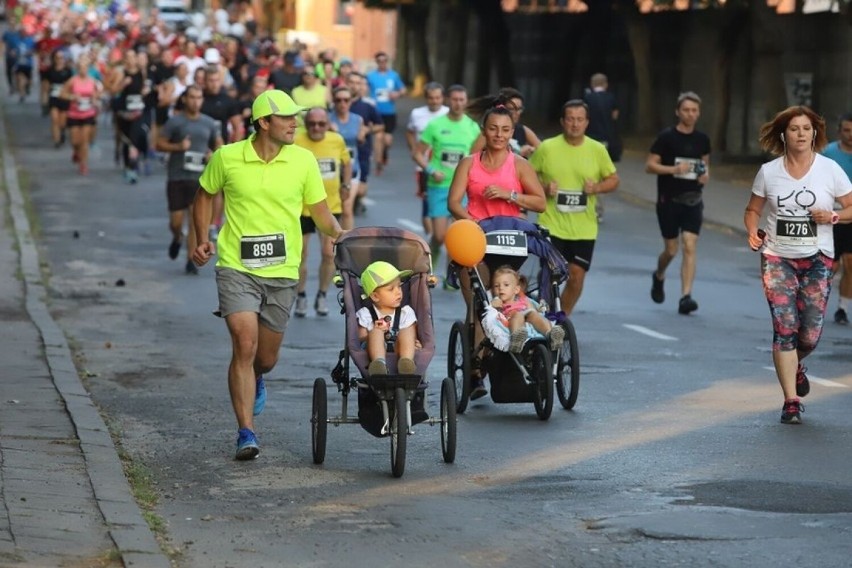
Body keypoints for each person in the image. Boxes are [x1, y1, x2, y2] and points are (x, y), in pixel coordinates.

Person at [191, 90, 345, 460]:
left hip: (283, 270)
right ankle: (246, 432)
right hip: (236, 267)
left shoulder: (303, 161)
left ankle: (258, 377)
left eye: (297, 116)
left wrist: (343, 237)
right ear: (263, 123)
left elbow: (320, 211)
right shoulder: (228, 158)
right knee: (244, 345)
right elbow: (203, 194)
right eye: (287, 117)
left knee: (266, 358)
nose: (296, 123)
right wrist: (201, 239)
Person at [744, 105, 852, 425]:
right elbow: (752, 210)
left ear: (814, 134)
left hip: (818, 258)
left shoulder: (830, 169)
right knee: (784, 327)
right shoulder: (769, 171)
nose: (801, 134)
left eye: (806, 129)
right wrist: (752, 231)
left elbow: (850, 207)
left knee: (809, 337)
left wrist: (832, 216)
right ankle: (791, 400)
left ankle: (795, 362)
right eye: (794, 129)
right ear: (784, 135)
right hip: (778, 258)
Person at [448, 103, 547, 399]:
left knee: (506, 303)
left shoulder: (519, 164)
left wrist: (510, 194)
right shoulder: (469, 163)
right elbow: (454, 202)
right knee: (479, 303)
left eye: (505, 130)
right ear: (484, 130)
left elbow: (540, 202)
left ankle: (512, 355)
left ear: (512, 132)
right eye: (493, 128)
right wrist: (472, 224)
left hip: (509, 242)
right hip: (476, 242)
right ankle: (475, 369)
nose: (499, 135)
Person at [530, 99, 619, 316]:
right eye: (570, 119)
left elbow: (614, 179)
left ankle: (561, 320)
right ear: (562, 121)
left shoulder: (597, 150)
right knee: (550, 275)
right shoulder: (547, 148)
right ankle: (543, 317)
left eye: (580, 120)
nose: (575, 124)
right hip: (552, 224)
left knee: (577, 276)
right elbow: (525, 176)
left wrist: (596, 187)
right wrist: (543, 187)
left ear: (587, 123)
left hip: (583, 228)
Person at [645, 91, 711, 315]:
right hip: (668, 200)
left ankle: (686, 296)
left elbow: (704, 165)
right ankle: (659, 274)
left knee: (690, 245)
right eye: (686, 110)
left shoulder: (702, 139)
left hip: (693, 200)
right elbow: (650, 165)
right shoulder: (666, 137)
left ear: (699, 113)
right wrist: (673, 169)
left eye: (694, 110)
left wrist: (704, 175)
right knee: (671, 250)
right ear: (678, 112)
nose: (690, 114)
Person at [412, 84, 480, 280]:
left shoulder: (472, 128)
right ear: (448, 101)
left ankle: (452, 276)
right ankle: (435, 248)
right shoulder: (436, 125)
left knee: (457, 234)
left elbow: (477, 158)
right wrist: (431, 170)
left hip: (462, 188)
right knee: (441, 236)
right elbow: (417, 153)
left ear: (466, 102)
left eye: (461, 100)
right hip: (439, 187)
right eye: (454, 99)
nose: (458, 104)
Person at [155, 84, 222, 274]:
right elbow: (159, 143)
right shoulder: (175, 122)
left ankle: (191, 259)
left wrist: (213, 154)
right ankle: (177, 237)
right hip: (177, 176)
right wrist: (178, 147)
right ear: (185, 99)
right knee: (176, 221)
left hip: (199, 178)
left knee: (195, 220)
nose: (196, 101)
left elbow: (219, 145)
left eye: (199, 97)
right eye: (192, 97)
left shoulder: (209, 123)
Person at [293, 106, 351, 317]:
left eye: (321, 124)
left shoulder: (336, 140)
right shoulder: (296, 140)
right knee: (300, 254)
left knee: (328, 253)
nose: (316, 128)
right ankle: (300, 296)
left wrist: (346, 185)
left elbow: (346, 162)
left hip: (330, 205)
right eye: (311, 124)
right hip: (301, 206)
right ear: (305, 124)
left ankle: (322, 294)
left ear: (328, 124)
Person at [356, 261, 418, 376]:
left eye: (399, 286)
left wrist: (413, 342)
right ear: (375, 296)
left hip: (400, 349)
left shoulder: (406, 312)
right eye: (391, 289)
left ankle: (406, 362)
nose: (398, 292)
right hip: (373, 349)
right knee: (375, 332)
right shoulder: (366, 314)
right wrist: (374, 331)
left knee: (407, 332)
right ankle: (379, 364)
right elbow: (360, 337)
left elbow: (413, 332)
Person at [406, 82, 448, 236]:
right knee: (426, 201)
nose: (435, 101)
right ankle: (433, 236)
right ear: (426, 98)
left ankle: (439, 233)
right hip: (423, 166)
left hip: (445, 167)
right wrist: (414, 149)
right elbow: (410, 132)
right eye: (431, 98)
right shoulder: (417, 113)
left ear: (443, 98)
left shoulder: (448, 114)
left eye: (438, 98)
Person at [490, 266, 564, 353]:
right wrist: (493, 305)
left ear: (516, 289)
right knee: (517, 315)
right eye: (496, 286)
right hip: (511, 319)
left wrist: (541, 308)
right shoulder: (497, 301)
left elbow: (535, 308)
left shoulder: (523, 299)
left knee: (533, 314)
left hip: (528, 318)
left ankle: (550, 334)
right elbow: (490, 313)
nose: (501, 288)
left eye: (506, 285)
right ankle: (517, 339)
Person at [823, 113, 852, 324]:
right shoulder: (829, 152)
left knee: (850, 263)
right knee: (830, 266)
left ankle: (842, 307)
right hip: (833, 213)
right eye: (847, 130)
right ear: (839, 131)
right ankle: (818, 300)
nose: (851, 135)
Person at [329, 86, 367, 230]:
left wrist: (362, 137)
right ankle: (332, 242)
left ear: (351, 102)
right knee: (332, 210)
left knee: (346, 208)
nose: (342, 103)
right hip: (331, 171)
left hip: (352, 168)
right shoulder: (327, 119)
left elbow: (362, 140)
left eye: (346, 100)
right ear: (334, 101)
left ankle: (347, 244)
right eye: (338, 100)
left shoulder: (357, 120)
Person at [347, 71, 384, 215]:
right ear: (346, 83)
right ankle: (348, 207)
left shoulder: (367, 106)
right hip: (341, 151)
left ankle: (357, 200)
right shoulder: (339, 102)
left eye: (358, 83)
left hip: (361, 151)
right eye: (351, 82)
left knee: (361, 190)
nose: (354, 86)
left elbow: (380, 125)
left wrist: (367, 130)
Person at [469, 87, 540, 158]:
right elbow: (472, 157)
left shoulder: (522, 130)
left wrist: (531, 150)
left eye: (519, 109)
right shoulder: (489, 132)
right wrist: (518, 152)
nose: (516, 113)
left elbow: (543, 148)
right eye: (511, 109)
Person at [62, 54, 102, 176]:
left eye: (85, 67)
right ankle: (76, 151)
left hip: (88, 113)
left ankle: (83, 164)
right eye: (81, 67)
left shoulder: (93, 81)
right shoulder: (72, 81)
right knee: (75, 140)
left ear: (88, 68)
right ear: (78, 68)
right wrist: (72, 96)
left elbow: (98, 94)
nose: (83, 69)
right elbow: (62, 94)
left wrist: (95, 100)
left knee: (84, 140)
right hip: (74, 113)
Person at [366, 51, 406, 174]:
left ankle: (384, 153)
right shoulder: (370, 76)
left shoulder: (394, 76)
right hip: (375, 112)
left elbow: (403, 89)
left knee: (387, 140)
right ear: (376, 62)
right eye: (379, 61)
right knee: (378, 137)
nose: (382, 63)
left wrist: (397, 94)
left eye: (384, 61)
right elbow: (364, 89)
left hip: (389, 112)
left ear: (387, 62)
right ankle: (378, 164)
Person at [583, 73, 621, 163]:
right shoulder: (611, 98)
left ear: (592, 84)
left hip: (590, 135)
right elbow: (615, 116)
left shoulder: (587, 97)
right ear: (606, 84)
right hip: (607, 135)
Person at [44, 50, 73, 148]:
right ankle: (56, 140)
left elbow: (71, 85)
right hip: (53, 97)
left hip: (64, 98)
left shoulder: (68, 71)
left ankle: (62, 132)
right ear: (54, 59)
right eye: (57, 58)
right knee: (54, 119)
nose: (59, 60)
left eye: (61, 58)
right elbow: (46, 85)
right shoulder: (49, 70)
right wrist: (45, 98)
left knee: (62, 121)